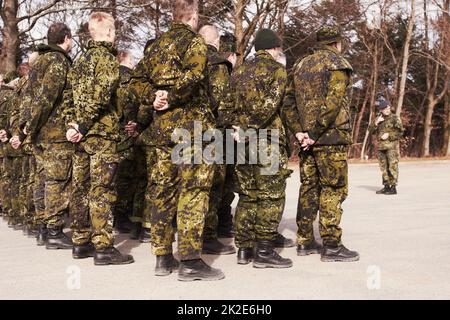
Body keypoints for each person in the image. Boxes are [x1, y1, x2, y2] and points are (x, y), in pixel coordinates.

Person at [129, 0, 224, 281]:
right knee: (193, 192)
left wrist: (153, 96)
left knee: (162, 193)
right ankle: (191, 261)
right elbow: (194, 76)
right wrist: (171, 96)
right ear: (193, 17)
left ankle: (162, 257)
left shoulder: (156, 46)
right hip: (191, 131)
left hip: (161, 131)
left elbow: (136, 79)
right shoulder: (194, 42)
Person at [284, 25, 359, 262]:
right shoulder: (338, 63)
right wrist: (315, 133)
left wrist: (299, 132)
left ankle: (305, 241)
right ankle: (332, 245)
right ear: (336, 43)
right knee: (333, 188)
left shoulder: (300, 65)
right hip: (330, 138)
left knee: (309, 188)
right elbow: (333, 102)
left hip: (307, 140)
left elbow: (288, 102)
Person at [64, 12, 134, 265]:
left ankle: (80, 242)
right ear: (110, 32)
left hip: (80, 137)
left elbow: (68, 97)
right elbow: (102, 95)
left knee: (80, 189)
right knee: (102, 191)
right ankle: (103, 247)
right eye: (114, 30)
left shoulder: (80, 61)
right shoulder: (106, 59)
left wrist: (71, 125)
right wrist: (80, 125)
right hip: (101, 135)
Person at [228, 28, 293, 268]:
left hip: (241, 142)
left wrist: (238, 129)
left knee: (247, 195)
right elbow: (269, 105)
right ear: (274, 48)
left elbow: (229, 104)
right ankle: (264, 250)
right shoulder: (278, 71)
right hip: (267, 141)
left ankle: (244, 249)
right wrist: (249, 128)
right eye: (279, 49)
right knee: (271, 195)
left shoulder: (239, 71)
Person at [12, 23, 75, 249]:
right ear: (66, 38)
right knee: (57, 181)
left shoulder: (38, 63)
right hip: (54, 132)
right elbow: (47, 99)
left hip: (41, 133)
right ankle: (54, 230)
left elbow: (28, 100)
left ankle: (43, 227)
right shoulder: (57, 62)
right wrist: (30, 128)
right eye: (71, 38)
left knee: (42, 179)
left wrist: (24, 127)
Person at [198, 25, 236, 255]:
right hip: (215, 134)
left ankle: (196, 234)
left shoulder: (189, 59)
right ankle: (209, 236)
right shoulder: (218, 64)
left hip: (190, 131)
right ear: (215, 41)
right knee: (214, 186)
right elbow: (223, 103)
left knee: (194, 187)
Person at [371, 96, 404, 195]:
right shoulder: (378, 118)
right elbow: (371, 131)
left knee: (392, 166)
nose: (387, 110)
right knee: (383, 167)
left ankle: (393, 188)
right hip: (381, 147)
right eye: (385, 109)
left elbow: (400, 132)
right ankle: (386, 186)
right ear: (381, 110)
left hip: (391, 147)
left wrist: (389, 135)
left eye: (388, 108)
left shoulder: (394, 118)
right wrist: (376, 123)